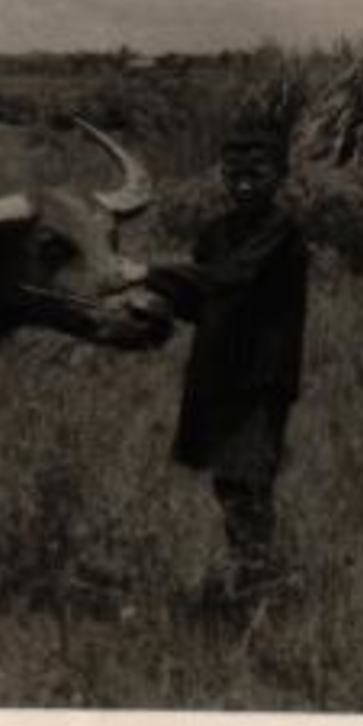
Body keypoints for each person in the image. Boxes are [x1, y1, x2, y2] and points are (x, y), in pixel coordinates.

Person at [144, 119, 311, 610]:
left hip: (261, 377)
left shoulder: (282, 230)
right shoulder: (213, 232)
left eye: (255, 173)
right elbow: (202, 301)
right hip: (217, 372)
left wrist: (150, 274)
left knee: (249, 482)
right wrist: (155, 302)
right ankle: (252, 581)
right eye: (234, 173)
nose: (242, 183)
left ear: (279, 176)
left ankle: (260, 590)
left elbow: (230, 280)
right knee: (227, 483)